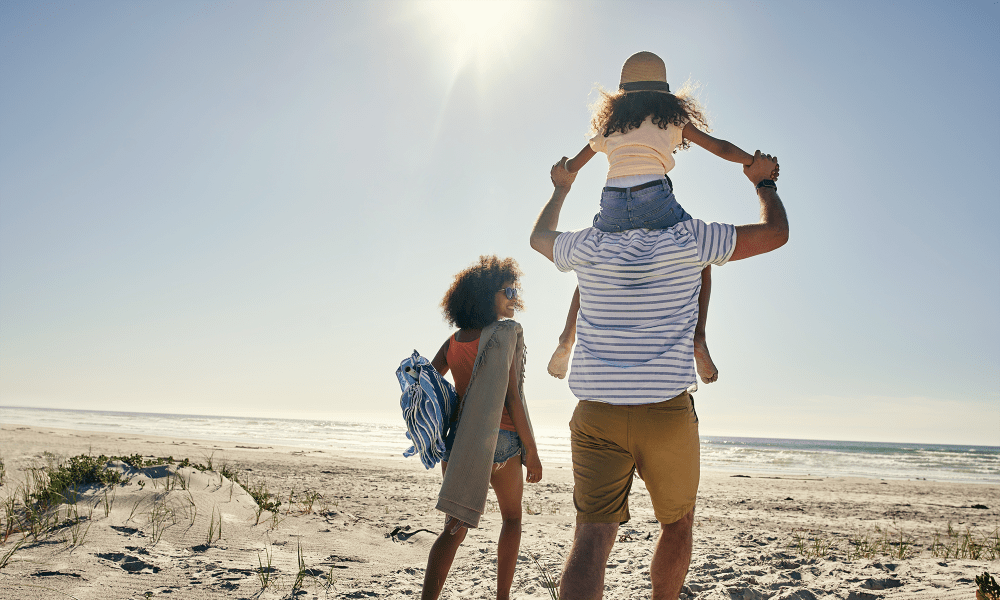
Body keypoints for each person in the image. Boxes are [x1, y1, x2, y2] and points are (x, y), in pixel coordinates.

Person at [529, 151, 787, 599]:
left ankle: (578, 339)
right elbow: (776, 233)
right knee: (677, 523)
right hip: (664, 410)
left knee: (591, 536)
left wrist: (561, 188)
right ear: (666, 194)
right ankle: (698, 339)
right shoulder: (689, 238)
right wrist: (764, 183)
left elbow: (538, 237)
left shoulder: (589, 245)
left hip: (596, 413)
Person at [547, 51, 777, 387]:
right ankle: (698, 339)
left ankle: (567, 338)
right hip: (654, 198)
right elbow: (720, 147)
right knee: (702, 258)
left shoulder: (609, 127)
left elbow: (574, 166)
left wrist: (561, 172)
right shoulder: (668, 121)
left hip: (611, 203)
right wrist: (754, 163)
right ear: (664, 95)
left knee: (592, 262)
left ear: (621, 97)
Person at [421, 255, 544, 600]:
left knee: (453, 529)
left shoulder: (453, 342)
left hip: (458, 444)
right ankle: (502, 597)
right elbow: (513, 398)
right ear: (484, 295)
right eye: (507, 290)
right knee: (512, 520)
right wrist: (532, 453)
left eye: (514, 290)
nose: (512, 297)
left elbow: (430, 384)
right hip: (502, 440)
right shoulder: (504, 334)